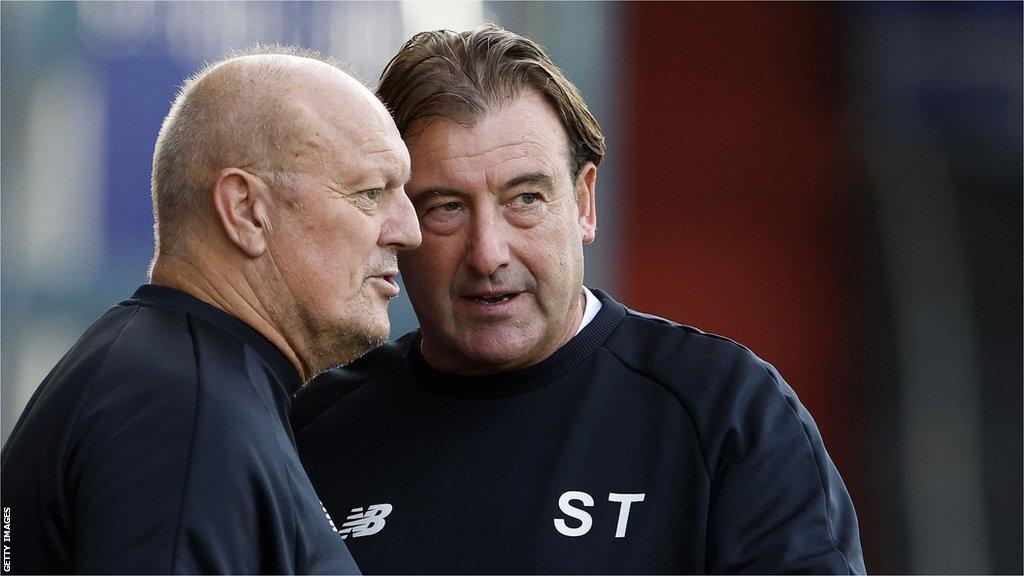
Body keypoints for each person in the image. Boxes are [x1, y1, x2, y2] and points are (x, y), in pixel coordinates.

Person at [293, 25, 865, 574]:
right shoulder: (313, 430)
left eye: (525, 198)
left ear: (584, 203)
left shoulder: (723, 411)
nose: (488, 253)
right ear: (395, 223)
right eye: (446, 207)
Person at [0, 45, 420, 574]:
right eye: (369, 193)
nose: (410, 231)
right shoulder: (185, 409)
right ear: (246, 211)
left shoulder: (175, 378)